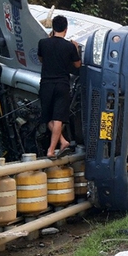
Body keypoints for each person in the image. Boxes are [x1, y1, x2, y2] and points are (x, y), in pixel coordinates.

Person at [38, 15, 81, 159]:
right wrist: (75, 49)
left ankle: (57, 146)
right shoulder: (69, 46)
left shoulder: (43, 43)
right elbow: (77, 65)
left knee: (47, 117)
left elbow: (41, 59)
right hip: (62, 84)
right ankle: (58, 144)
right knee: (58, 118)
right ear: (66, 29)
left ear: (52, 28)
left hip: (46, 84)